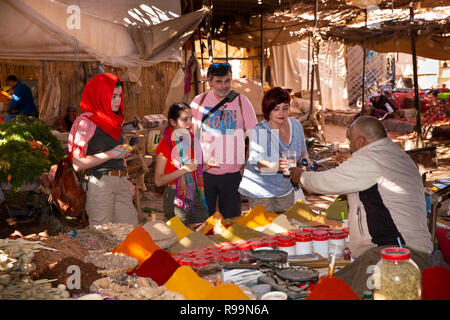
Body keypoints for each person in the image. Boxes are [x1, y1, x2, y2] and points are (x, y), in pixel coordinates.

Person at [285, 116, 433, 297]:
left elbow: (326, 182)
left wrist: (300, 176)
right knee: (332, 286)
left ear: (360, 140)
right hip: (399, 252)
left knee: (339, 293)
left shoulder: (372, 158)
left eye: (350, 141)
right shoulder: (395, 154)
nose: (349, 146)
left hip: (394, 254)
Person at [68, 73, 138, 227]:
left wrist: (127, 180)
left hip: (121, 182)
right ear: (100, 95)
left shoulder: (115, 121)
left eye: (120, 95)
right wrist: (112, 153)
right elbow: (78, 163)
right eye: (113, 96)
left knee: (131, 233)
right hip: (100, 182)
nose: (118, 100)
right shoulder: (86, 122)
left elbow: (120, 156)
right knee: (103, 237)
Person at [190, 62, 258, 219]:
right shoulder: (198, 103)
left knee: (232, 221)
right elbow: (189, 135)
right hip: (204, 173)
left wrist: (248, 164)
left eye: (227, 81)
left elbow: (255, 136)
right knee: (202, 221)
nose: (224, 86)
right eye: (219, 81)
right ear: (210, 81)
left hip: (232, 174)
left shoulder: (242, 102)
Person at [238, 87, 311, 213]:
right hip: (260, 190)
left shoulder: (296, 126)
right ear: (268, 110)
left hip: (286, 188)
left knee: (287, 226)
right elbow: (258, 164)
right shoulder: (259, 131)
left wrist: (305, 159)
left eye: (285, 108)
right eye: (276, 109)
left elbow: (302, 152)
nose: (281, 113)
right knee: (266, 229)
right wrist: (277, 166)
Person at [154, 102, 219, 225]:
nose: (190, 123)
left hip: (196, 194)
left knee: (202, 232)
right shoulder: (165, 144)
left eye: (191, 118)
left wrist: (207, 165)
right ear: (173, 122)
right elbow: (158, 181)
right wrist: (183, 170)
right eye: (185, 120)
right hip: (176, 196)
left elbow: (194, 171)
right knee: (182, 238)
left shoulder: (192, 141)